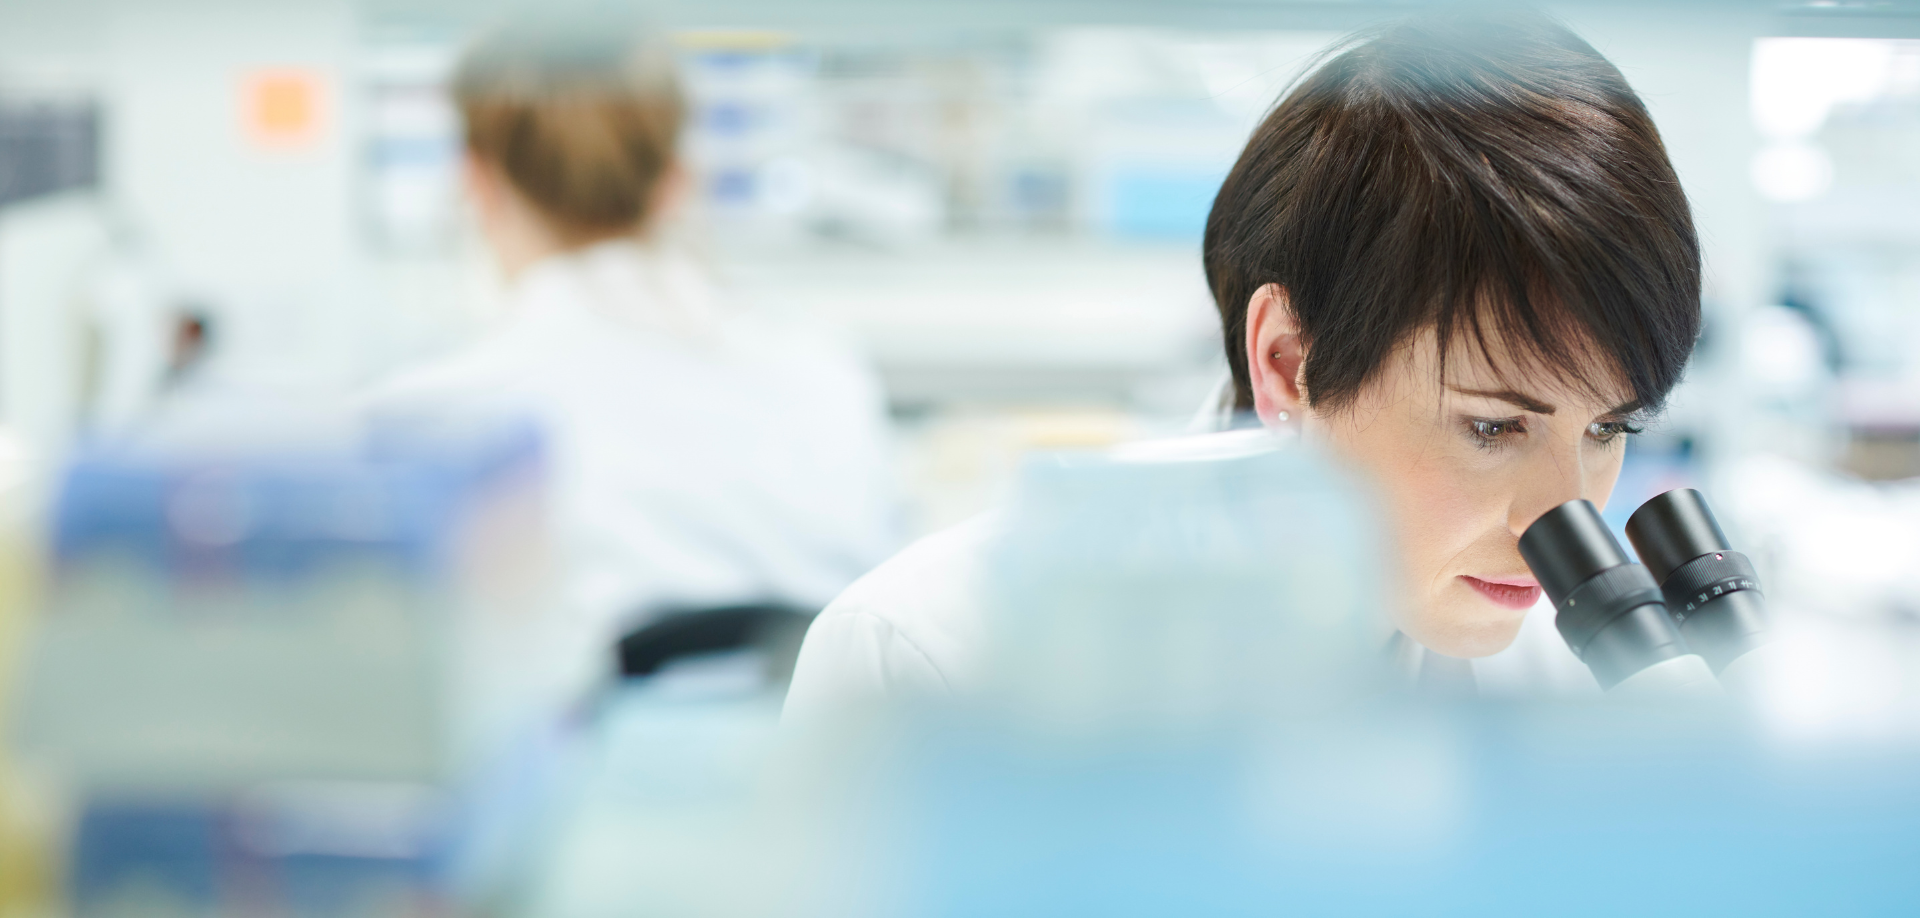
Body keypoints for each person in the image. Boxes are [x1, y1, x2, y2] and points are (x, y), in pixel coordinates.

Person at [782, 11, 1700, 719]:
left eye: (1610, 427)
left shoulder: (1576, 690)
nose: (1565, 517)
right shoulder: (933, 662)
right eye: (1493, 427)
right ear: (1289, 364)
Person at [368, 16, 899, 693]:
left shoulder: (430, 421)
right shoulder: (825, 376)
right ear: (675, 180)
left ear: (476, 180)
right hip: (825, 787)